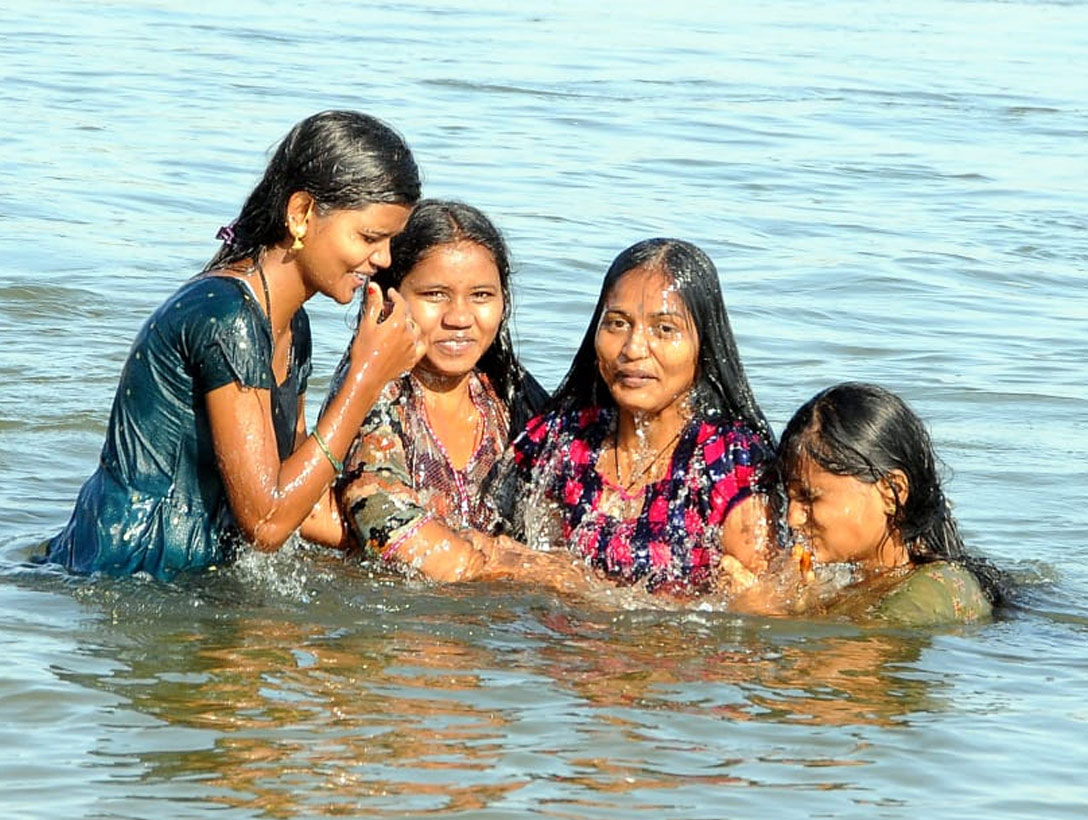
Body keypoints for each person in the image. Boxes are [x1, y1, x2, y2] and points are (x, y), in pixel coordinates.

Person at [39, 111, 425, 580]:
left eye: (390, 241)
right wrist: (366, 377)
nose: (382, 259)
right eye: (369, 237)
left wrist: (426, 544)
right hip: (127, 574)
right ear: (301, 213)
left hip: (186, 577)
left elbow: (303, 501)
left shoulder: (291, 326)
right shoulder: (227, 316)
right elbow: (265, 523)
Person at [337, 199, 585, 587]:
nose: (460, 318)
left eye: (482, 296)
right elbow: (380, 512)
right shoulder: (374, 389)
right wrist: (509, 566)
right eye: (435, 295)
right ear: (387, 296)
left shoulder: (511, 397)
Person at [511, 238, 778, 596]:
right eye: (617, 323)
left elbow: (757, 609)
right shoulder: (564, 439)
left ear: (705, 345)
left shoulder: (730, 464)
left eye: (665, 329)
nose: (633, 349)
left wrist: (582, 590)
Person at [726, 383, 1010, 624]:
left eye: (810, 498)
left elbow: (860, 671)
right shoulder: (860, 586)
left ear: (890, 491)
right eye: (791, 498)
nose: (793, 518)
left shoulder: (934, 589)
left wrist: (766, 619)